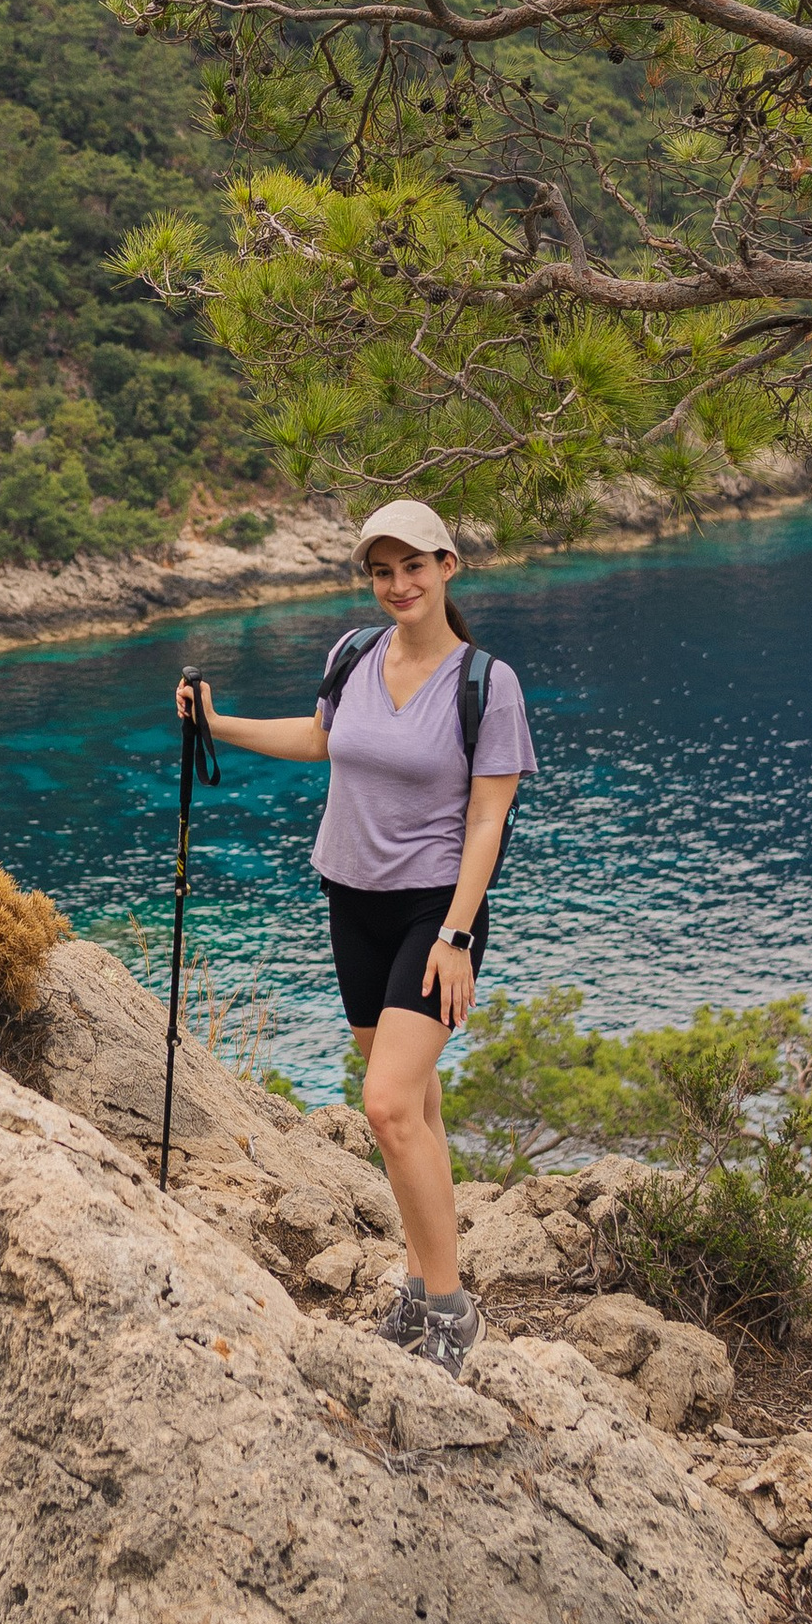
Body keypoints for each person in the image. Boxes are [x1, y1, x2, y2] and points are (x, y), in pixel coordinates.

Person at [175, 499, 535, 1378]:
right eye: (381, 570)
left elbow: (488, 821)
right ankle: (419, 1279)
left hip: (433, 915)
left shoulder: (488, 683)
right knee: (415, 1107)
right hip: (351, 899)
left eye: (412, 566)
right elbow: (322, 739)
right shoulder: (353, 656)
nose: (397, 584)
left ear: (448, 565)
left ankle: (449, 1312)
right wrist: (215, 727)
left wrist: (456, 934)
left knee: (384, 1106)